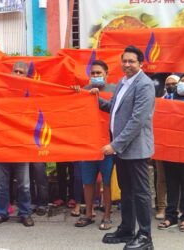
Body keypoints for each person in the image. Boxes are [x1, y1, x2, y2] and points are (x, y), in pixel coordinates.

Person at [99, 46, 155, 250]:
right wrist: (92, 99)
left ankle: (145, 237)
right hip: (122, 150)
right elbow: (112, 108)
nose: (127, 65)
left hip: (136, 149)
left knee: (141, 192)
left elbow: (137, 121)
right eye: (124, 61)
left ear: (141, 63)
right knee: (127, 191)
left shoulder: (145, 85)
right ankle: (127, 229)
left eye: (131, 61)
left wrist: (114, 145)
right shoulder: (123, 82)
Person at [0, 61, 34, 227]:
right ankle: (1, 213)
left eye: (21, 72)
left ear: (26, 75)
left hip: (22, 145)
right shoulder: (1, 92)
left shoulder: (32, 92)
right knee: (1, 184)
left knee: (24, 184)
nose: (17, 74)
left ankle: (25, 213)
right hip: (2, 144)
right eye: (15, 71)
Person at [74, 60, 115, 230]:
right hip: (88, 144)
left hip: (108, 145)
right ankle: (88, 214)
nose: (96, 76)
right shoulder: (83, 90)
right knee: (88, 181)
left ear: (106, 73)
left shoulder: (115, 90)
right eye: (93, 73)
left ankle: (106, 216)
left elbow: (117, 112)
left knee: (106, 182)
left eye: (99, 73)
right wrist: (75, 95)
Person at [158, 73, 184, 232]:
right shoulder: (166, 100)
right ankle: (171, 216)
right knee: (171, 183)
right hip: (169, 147)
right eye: (182, 81)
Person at [155, 74, 180, 220]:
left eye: (173, 83)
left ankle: (176, 207)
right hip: (162, 144)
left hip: (178, 144)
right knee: (161, 178)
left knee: (177, 178)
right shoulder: (160, 101)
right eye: (168, 84)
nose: (170, 86)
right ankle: (161, 207)